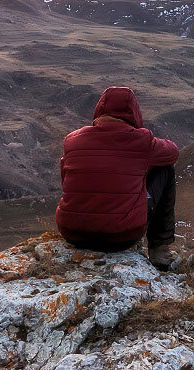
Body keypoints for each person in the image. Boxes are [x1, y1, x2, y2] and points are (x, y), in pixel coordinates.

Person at [55, 86, 179, 269]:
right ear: (134, 112)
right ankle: (159, 249)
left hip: (72, 232)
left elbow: (66, 178)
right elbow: (173, 152)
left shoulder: (73, 139)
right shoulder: (142, 140)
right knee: (165, 167)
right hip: (121, 235)